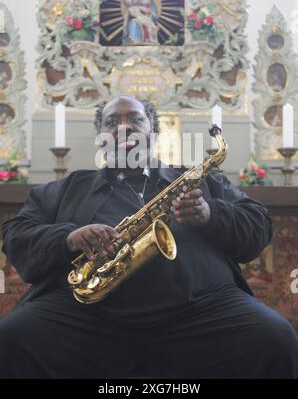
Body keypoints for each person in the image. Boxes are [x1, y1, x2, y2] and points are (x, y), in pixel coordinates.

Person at [0, 95, 297, 379]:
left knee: (276, 338)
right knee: (11, 338)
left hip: (199, 314)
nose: (124, 126)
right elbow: (16, 233)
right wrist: (68, 238)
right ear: (100, 135)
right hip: (87, 319)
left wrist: (211, 214)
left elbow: (258, 223)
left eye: (135, 119)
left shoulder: (199, 179)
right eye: (112, 122)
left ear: (153, 131)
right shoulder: (67, 188)